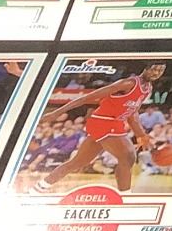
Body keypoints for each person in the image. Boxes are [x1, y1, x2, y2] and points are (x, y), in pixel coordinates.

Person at [33, 63, 164, 194]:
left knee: (78, 162)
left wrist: (141, 135)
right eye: (154, 69)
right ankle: (125, 196)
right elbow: (86, 98)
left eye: (160, 70)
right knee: (128, 156)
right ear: (146, 68)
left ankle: (40, 186)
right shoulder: (128, 83)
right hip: (103, 121)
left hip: (114, 123)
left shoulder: (148, 88)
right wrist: (56, 113)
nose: (156, 73)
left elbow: (132, 113)